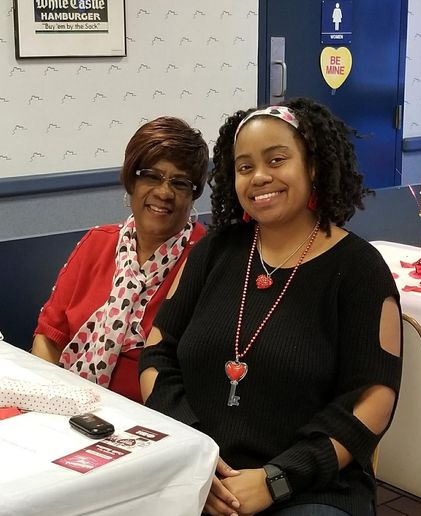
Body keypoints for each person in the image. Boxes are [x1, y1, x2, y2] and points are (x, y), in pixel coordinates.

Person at [139, 99, 401, 515]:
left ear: (313, 166)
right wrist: (198, 457)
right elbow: (157, 353)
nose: (259, 176)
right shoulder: (214, 251)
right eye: (244, 166)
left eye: (276, 160)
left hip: (309, 489)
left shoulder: (359, 269)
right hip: (198, 473)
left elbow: (373, 399)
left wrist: (276, 480)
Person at [32, 117, 208, 403]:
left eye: (179, 183)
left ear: (194, 194)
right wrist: (51, 403)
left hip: (155, 419)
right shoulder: (97, 242)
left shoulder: (206, 260)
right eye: (151, 176)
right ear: (131, 181)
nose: (164, 192)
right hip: (68, 406)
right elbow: (49, 338)